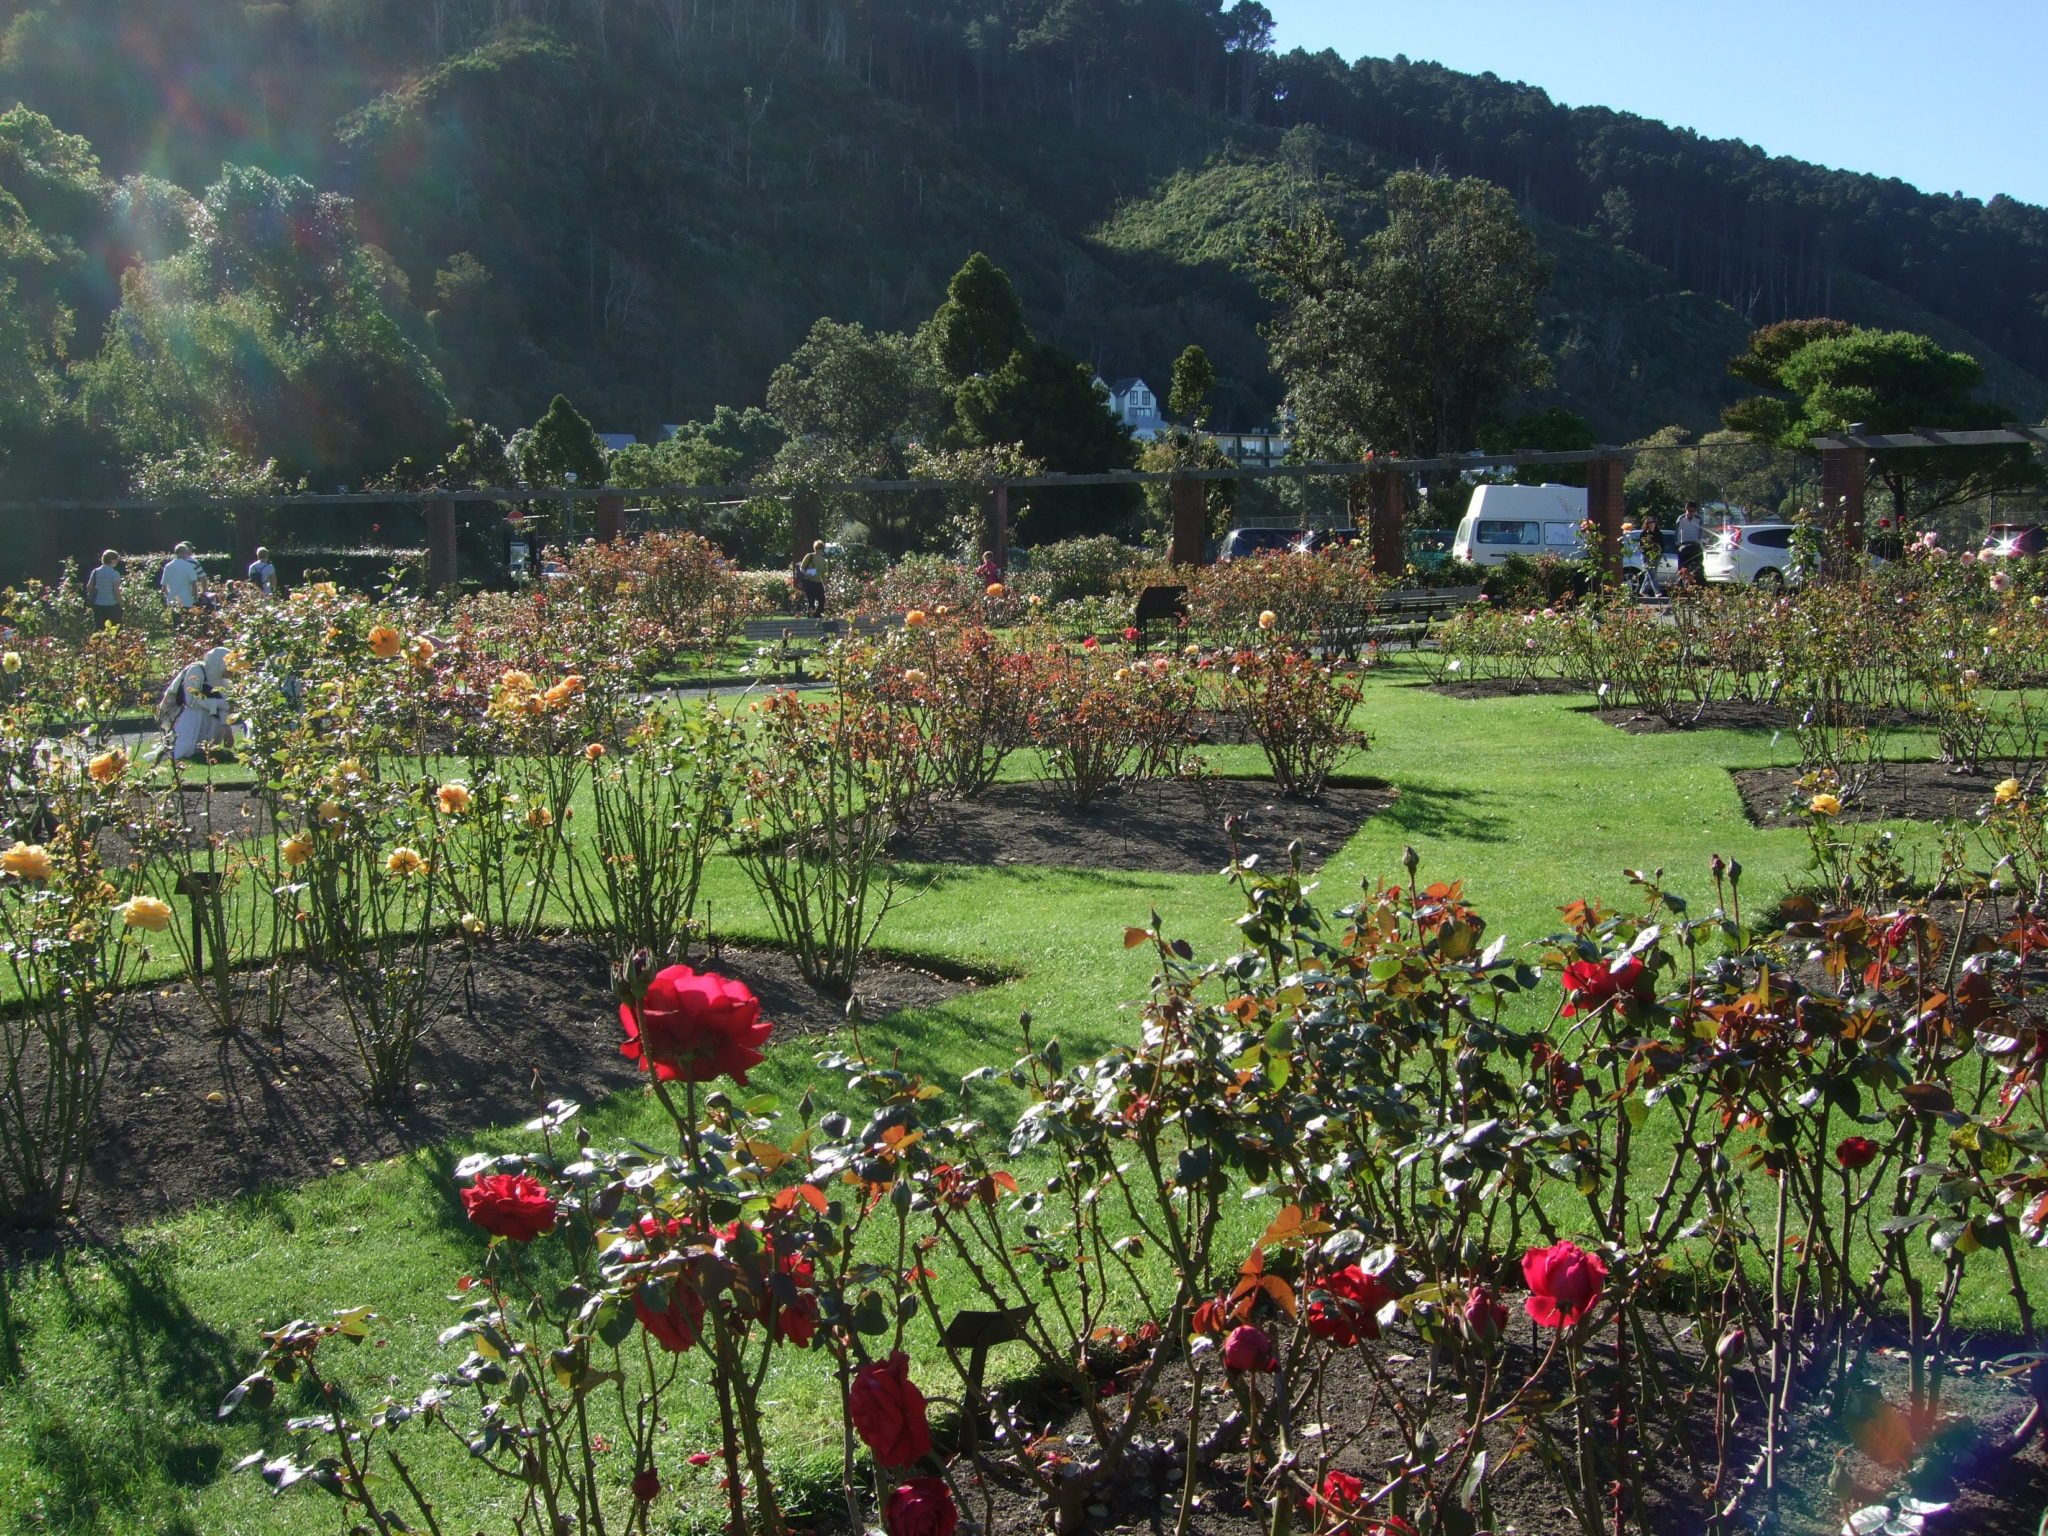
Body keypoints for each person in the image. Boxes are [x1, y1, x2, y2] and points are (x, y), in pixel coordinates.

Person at [155, 646, 233, 761]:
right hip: (191, 714)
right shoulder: (197, 670)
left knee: (216, 726)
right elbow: (191, 700)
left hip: (211, 717)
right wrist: (219, 704)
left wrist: (228, 731)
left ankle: (206, 752)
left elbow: (225, 707)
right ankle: (186, 752)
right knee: (197, 716)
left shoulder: (223, 681)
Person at [160, 542, 203, 612]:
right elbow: (194, 585)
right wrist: (195, 599)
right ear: (183, 553)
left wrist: (170, 596)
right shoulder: (188, 566)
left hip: (172, 601)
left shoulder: (168, 566)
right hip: (186, 601)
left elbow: (164, 586)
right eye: (186, 553)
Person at [86, 550, 124, 627]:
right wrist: (121, 603)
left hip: (98, 604)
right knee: (115, 629)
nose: (117, 561)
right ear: (112, 560)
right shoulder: (114, 574)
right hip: (112, 605)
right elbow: (116, 591)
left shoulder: (95, 572)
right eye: (117, 559)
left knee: (99, 629)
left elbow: (89, 587)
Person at [1637, 513, 1665, 599]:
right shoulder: (1644, 534)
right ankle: (1657, 592)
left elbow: (1662, 545)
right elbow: (1641, 546)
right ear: (1647, 524)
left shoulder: (1659, 534)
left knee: (1650, 574)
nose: (1652, 524)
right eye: (1650, 523)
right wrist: (1647, 554)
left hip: (1656, 556)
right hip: (1646, 557)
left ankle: (1643, 591)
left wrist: (1659, 553)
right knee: (1652, 574)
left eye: (1653, 522)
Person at [1676, 501, 1705, 582]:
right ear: (1686, 509)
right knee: (1682, 566)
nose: (1691, 513)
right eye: (1689, 511)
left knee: (1698, 565)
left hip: (1695, 545)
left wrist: (1698, 540)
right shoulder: (1681, 518)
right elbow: (1677, 531)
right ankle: (1681, 581)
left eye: (1693, 511)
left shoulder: (1699, 519)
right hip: (1684, 545)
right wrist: (1678, 542)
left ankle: (1698, 581)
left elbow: (1701, 531)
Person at [797, 540, 826, 617]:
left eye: (820, 547)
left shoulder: (823, 560)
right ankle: (810, 618)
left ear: (822, 548)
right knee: (811, 601)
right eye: (817, 547)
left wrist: (825, 585)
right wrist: (807, 573)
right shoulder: (809, 556)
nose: (818, 549)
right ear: (814, 548)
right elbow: (801, 567)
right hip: (808, 582)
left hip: (818, 582)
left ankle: (816, 615)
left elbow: (823, 574)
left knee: (822, 600)